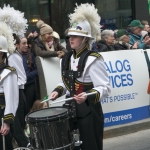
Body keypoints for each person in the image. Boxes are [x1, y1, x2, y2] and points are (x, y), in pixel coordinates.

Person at [50, 3, 110, 150]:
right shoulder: (66, 58)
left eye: (76, 36)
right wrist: (57, 91)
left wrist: (87, 95)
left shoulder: (93, 59)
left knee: (90, 146)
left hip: (89, 110)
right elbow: (65, 83)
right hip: (70, 109)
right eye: (70, 36)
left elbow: (105, 88)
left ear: (85, 39)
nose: (71, 39)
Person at [0, 22, 19, 150]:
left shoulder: (8, 72)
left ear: (1, 53)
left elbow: (11, 99)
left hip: (1, 116)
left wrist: (7, 122)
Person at [15, 36, 38, 114]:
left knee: (28, 106)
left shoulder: (30, 55)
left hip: (29, 85)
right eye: (24, 43)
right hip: (18, 86)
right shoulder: (14, 57)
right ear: (17, 45)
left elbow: (36, 70)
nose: (26, 45)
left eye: (27, 43)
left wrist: (27, 76)